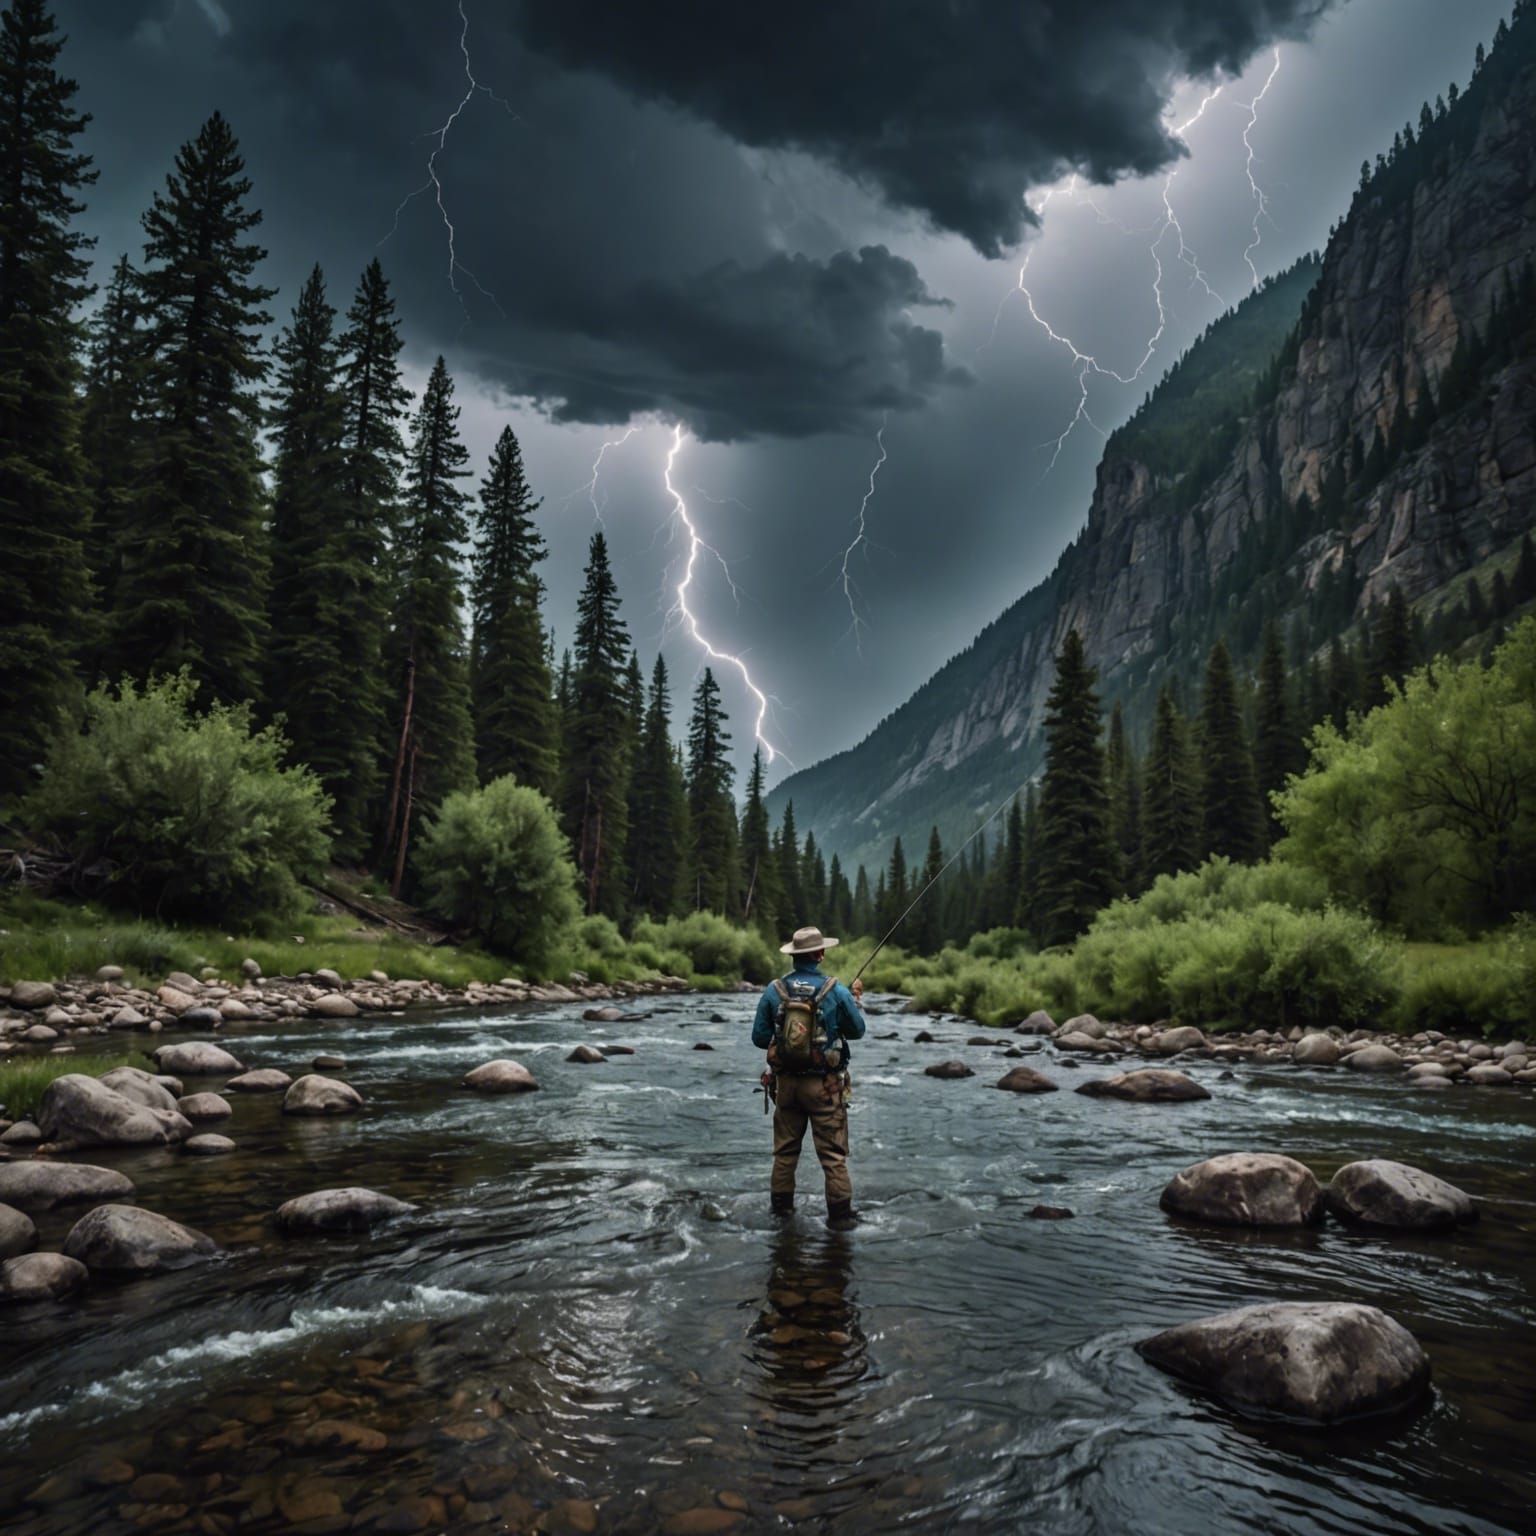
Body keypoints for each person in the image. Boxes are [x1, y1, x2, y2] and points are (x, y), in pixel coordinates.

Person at [752, 924, 867, 1228]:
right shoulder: (836, 989)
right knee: (832, 1156)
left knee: (785, 1153)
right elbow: (858, 1031)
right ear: (820, 954)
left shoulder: (774, 990)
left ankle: (780, 1217)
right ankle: (840, 1222)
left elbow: (759, 1037)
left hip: (786, 1087)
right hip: (824, 1087)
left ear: (794, 955)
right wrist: (853, 1001)